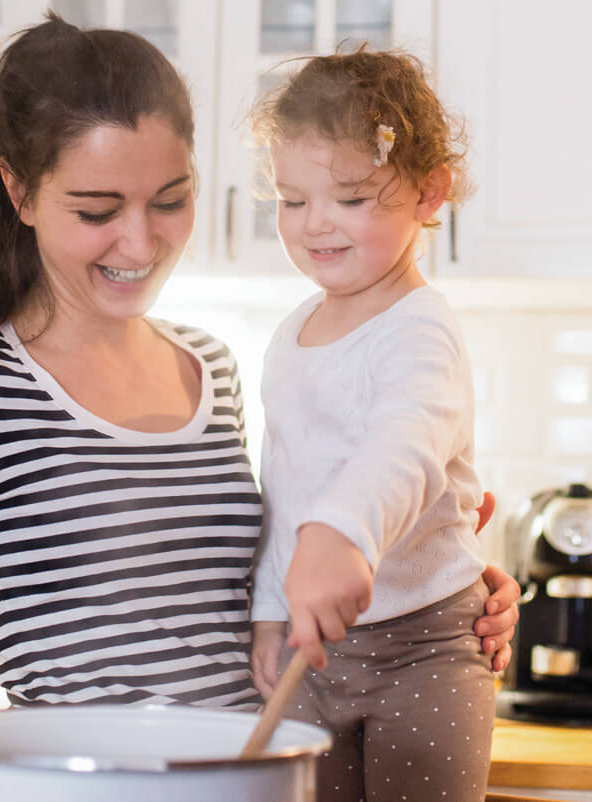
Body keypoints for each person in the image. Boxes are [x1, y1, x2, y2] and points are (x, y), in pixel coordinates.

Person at [0, 16, 518, 760]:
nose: (140, 243)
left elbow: (291, 577)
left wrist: (434, 595)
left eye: (170, 199)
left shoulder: (211, 367)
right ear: (19, 190)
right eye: (97, 211)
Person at [248, 48, 509, 800]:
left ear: (429, 192)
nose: (315, 224)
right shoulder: (289, 336)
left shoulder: (418, 327)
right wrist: (269, 613)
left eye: (352, 198)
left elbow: (409, 440)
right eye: (292, 200)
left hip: (426, 648)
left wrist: (343, 533)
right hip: (311, 656)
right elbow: (284, 490)